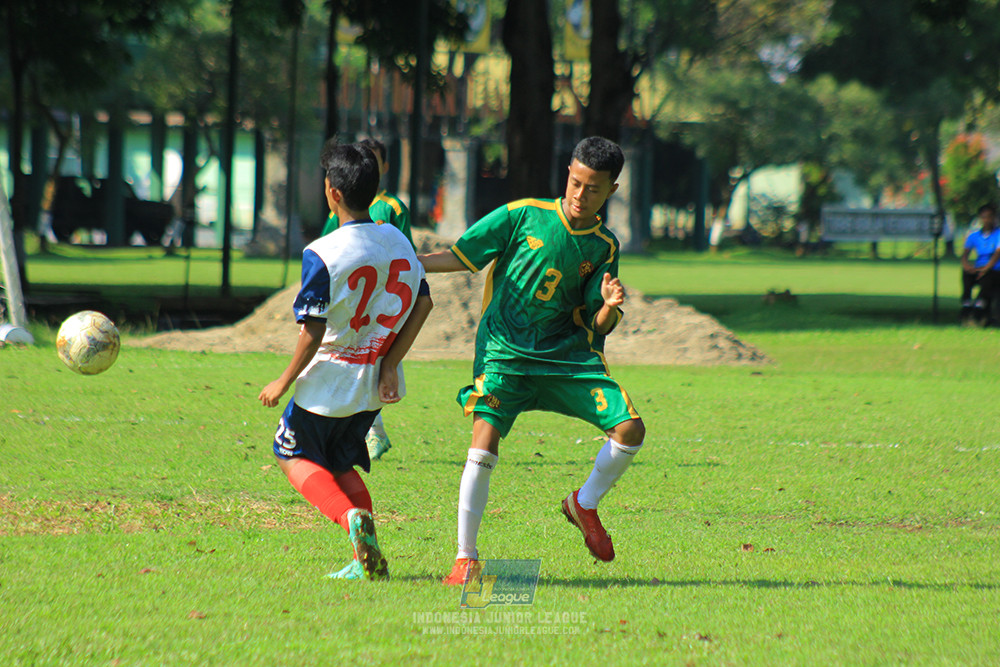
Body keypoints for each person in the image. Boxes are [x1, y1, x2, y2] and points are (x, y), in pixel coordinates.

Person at [418, 136, 646, 585]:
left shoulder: (603, 245)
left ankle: (584, 503)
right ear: (568, 173)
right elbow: (462, 257)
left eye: (594, 188)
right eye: (576, 183)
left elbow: (599, 325)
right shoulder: (522, 214)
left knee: (630, 430)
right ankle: (466, 558)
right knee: (483, 442)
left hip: (566, 359)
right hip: (505, 354)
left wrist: (610, 306)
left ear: (612, 191)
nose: (581, 195)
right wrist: (407, 261)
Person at [259, 142, 433, 581]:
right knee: (339, 462)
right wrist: (391, 362)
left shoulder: (322, 253)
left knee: (288, 451)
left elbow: (314, 331)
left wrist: (282, 380)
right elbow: (424, 304)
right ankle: (365, 559)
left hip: (327, 383)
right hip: (372, 382)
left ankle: (348, 519)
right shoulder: (399, 242)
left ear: (332, 192)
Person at [322, 137, 414, 461]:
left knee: (368, 363)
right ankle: (365, 433)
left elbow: (406, 254)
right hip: (351, 299)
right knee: (355, 364)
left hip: (380, 300)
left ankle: (368, 433)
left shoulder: (393, 208)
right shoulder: (342, 207)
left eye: (372, 161)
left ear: (383, 168)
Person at [960, 202, 1000, 325]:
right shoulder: (974, 236)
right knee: (966, 275)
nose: (987, 220)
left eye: (989, 216)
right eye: (984, 217)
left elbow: (997, 254)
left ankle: (979, 308)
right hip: (979, 267)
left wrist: (986, 268)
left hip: (994, 269)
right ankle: (966, 304)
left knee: (988, 279)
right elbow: (965, 254)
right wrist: (967, 266)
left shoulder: (998, 234)